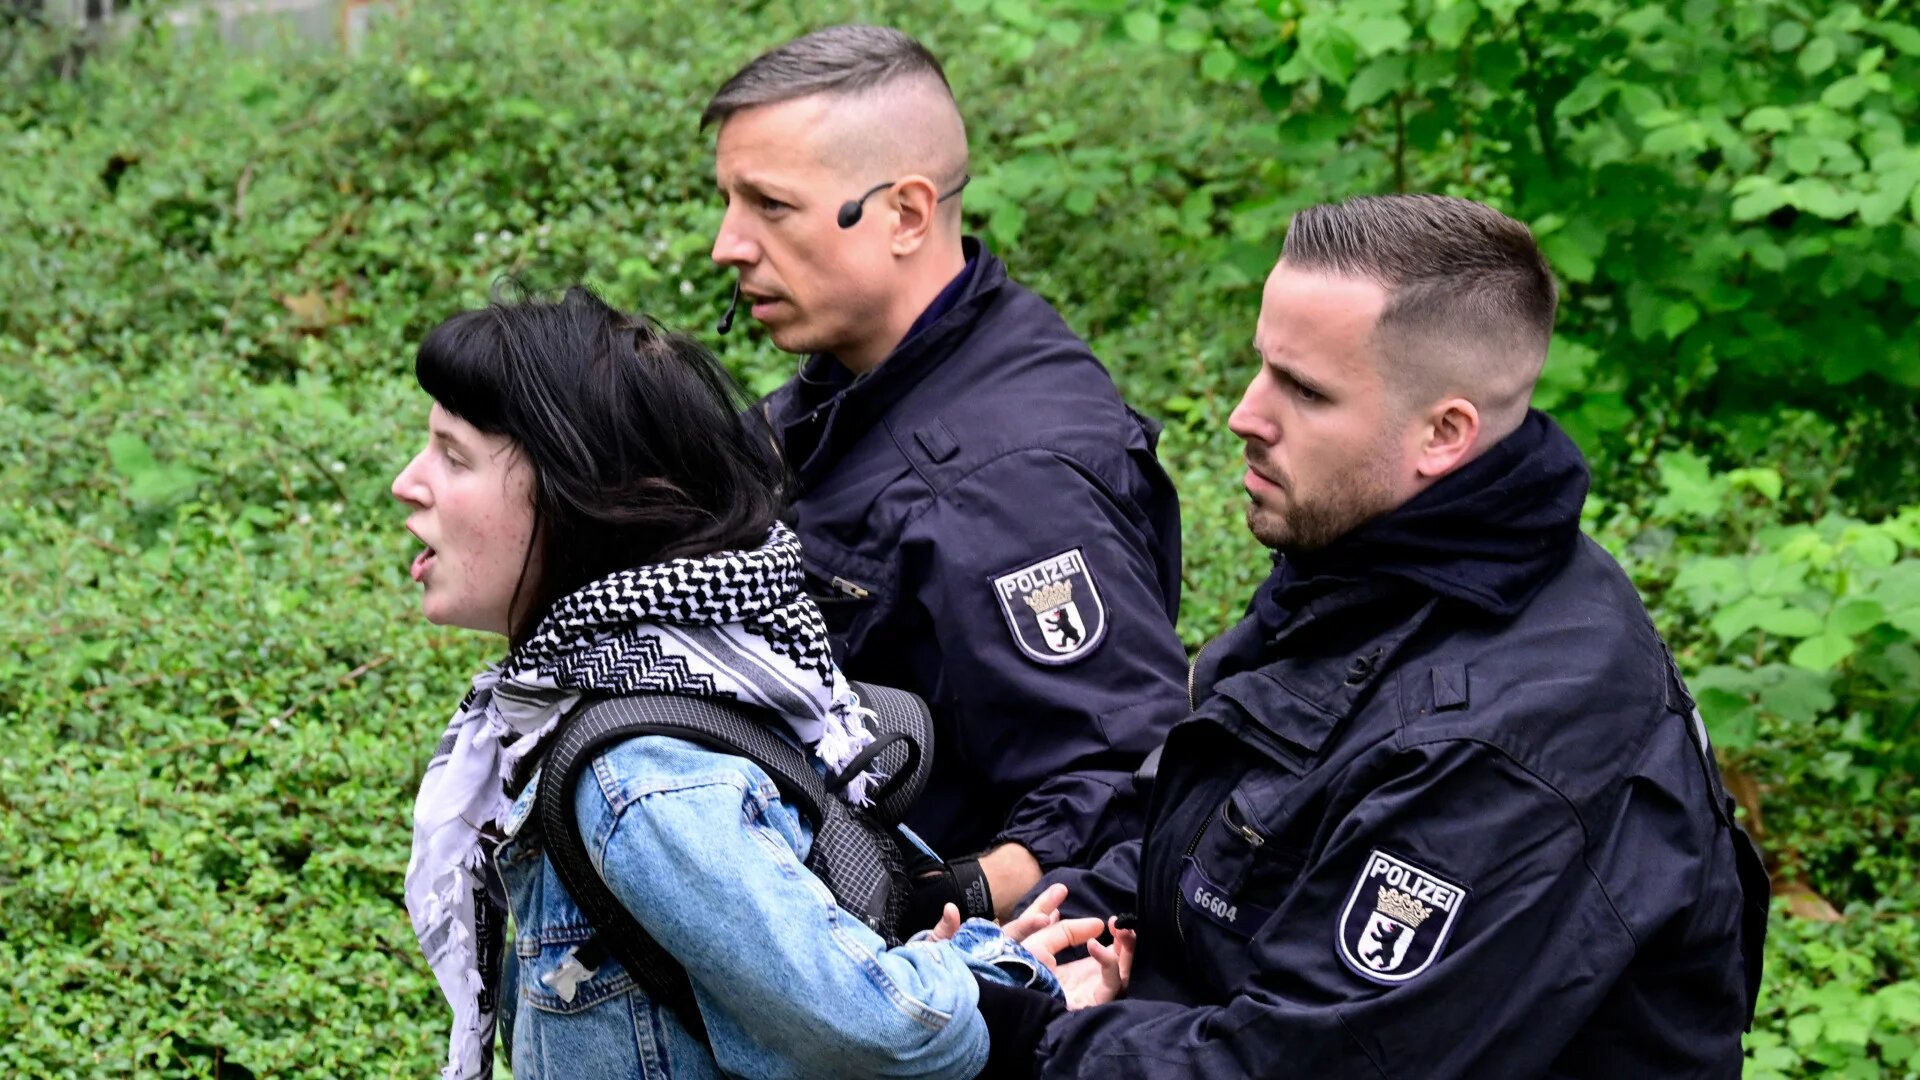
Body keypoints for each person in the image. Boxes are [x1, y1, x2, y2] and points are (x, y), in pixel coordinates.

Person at [982, 195, 1771, 1076]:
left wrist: (1000, 1033)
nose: (1246, 415)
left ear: (1444, 434)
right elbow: (1209, 850)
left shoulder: (1499, 746)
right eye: (1262, 366)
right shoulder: (1376, 563)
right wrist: (1023, 944)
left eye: (1306, 391)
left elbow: (1301, 1063)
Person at [390, 286, 1131, 1080]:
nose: (407, 481)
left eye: (454, 457)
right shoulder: (679, 678)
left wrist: (995, 984)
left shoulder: (643, 780)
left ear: (579, 496)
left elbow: (873, 1027)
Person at [705, 24, 1190, 919]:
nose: (727, 245)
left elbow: (1119, 783)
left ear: (905, 215)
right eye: (729, 202)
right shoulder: (868, 372)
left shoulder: (1011, 485)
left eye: (770, 207)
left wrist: (912, 907)